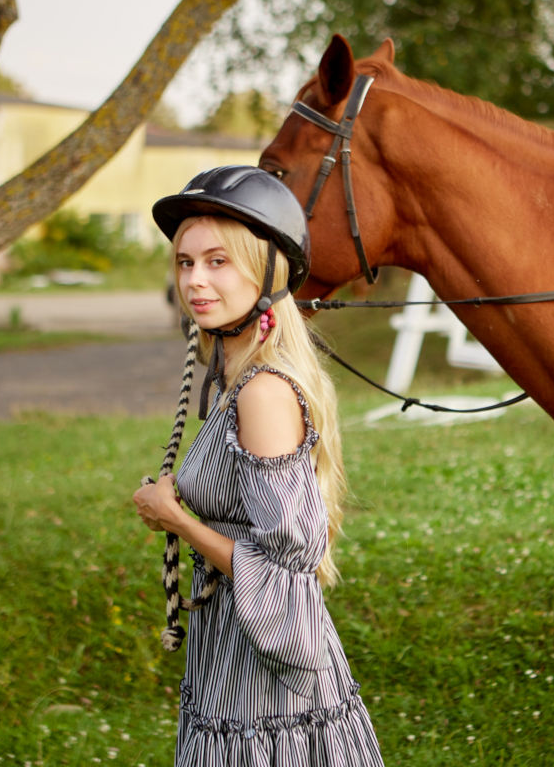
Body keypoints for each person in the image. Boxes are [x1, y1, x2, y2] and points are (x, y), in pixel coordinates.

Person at [132, 165, 384, 766]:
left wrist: (178, 521)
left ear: (266, 272)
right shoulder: (232, 379)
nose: (195, 281)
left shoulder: (262, 393)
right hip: (230, 647)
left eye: (218, 261)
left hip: (266, 679)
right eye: (186, 263)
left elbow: (286, 572)